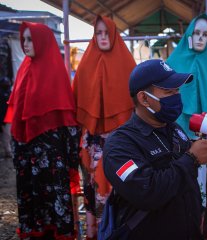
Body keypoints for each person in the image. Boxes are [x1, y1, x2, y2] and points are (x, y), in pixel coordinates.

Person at [103, 59, 207, 240]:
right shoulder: (119, 145)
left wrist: (199, 215)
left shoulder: (174, 129)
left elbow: (187, 183)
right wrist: (192, 158)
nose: (176, 96)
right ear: (144, 98)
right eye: (168, 91)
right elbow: (147, 191)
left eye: (177, 90)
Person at [5, 22, 80, 239]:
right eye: (24, 39)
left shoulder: (55, 72)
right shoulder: (23, 70)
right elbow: (17, 111)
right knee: (32, 201)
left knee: (53, 200)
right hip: (26, 153)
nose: (25, 44)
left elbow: (67, 120)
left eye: (30, 39)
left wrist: (71, 159)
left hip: (50, 157)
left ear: (42, 41)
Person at [72, 15, 136, 238]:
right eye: (98, 33)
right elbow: (78, 99)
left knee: (118, 194)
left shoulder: (127, 63)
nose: (102, 37)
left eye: (106, 32)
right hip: (92, 144)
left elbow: (136, 104)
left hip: (120, 144)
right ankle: (95, 233)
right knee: (94, 191)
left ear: (114, 33)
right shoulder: (86, 63)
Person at [166, 13, 207, 239]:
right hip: (178, 141)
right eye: (197, 33)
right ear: (189, 36)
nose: (201, 38)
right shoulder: (173, 64)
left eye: (205, 34)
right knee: (184, 192)